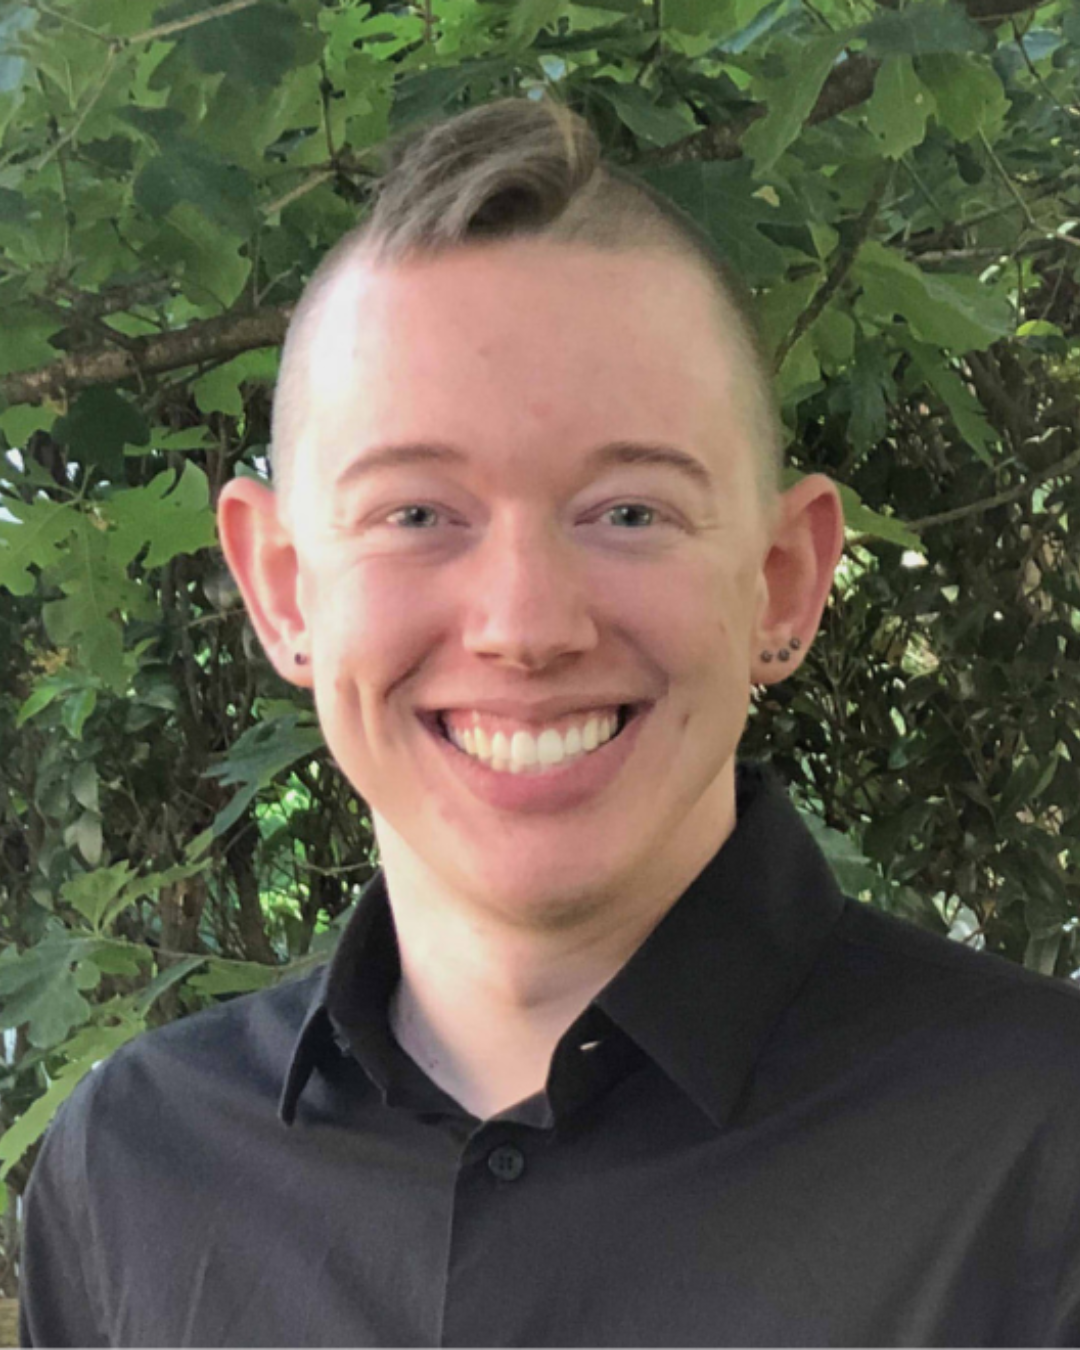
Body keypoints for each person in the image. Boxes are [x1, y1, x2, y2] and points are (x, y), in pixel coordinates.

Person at [18, 95, 1080, 1348]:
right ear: (284, 590)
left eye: (629, 511)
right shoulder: (136, 1171)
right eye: (416, 514)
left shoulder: (1045, 1153)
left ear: (783, 581)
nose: (525, 626)